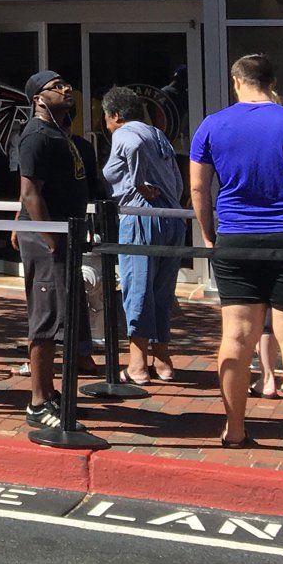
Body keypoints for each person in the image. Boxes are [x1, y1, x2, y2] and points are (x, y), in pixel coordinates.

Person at [188, 54, 283, 460]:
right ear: (272, 81)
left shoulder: (212, 125)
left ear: (237, 81)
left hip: (236, 240)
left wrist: (209, 236)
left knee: (235, 338)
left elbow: (199, 190)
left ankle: (234, 429)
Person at [12, 70, 91, 431]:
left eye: (65, 82)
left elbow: (26, 195)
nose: (65, 88)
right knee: (44, 319)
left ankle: (53, 392)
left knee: (63, 316)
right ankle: (37, 401)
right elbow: (30, 192)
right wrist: (49, 239)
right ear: (37, 98)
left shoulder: (59, 132)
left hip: (61, 235)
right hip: (49, 240)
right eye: (55, 86)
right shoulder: (36, 135)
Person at [100, 86, 186, 384]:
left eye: (106, 119)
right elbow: (176, 175)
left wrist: (138, 184)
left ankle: (137, 363)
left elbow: (132, 149)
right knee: (163, 289)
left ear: (115, 116)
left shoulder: (124, 133)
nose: (107, 125)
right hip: (172, 218)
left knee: (137, 286)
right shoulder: (157, 133)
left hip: (140, 217)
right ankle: (163, 360)